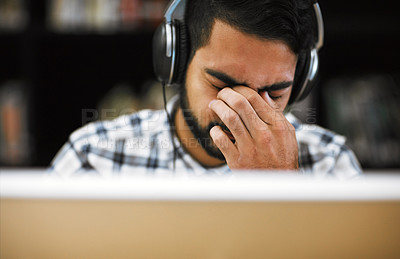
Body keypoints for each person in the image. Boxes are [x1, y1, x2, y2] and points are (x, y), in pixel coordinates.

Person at [50, 0, 362, 178]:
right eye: (222, 84)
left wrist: (283, 190)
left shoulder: (330, 162)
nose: (242, 108)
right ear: (176, 62)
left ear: (302, 81)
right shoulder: (92, 157)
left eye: (275, 92)